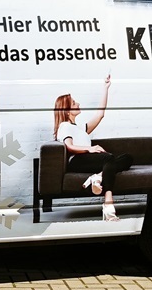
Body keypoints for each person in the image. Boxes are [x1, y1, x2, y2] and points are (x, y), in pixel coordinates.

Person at [53, 75, 132, 221]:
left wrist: (105, 88)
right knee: (108, 158)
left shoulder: (80, 128)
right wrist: (89, 149)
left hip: (88, 159)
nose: (78, 103)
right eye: (74, 103)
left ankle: (98, 176)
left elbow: (100, 114)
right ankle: (108, 203)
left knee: (127, 158)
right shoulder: (64, 126)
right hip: (77, 161)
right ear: (67, 110)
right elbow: (69, 146)